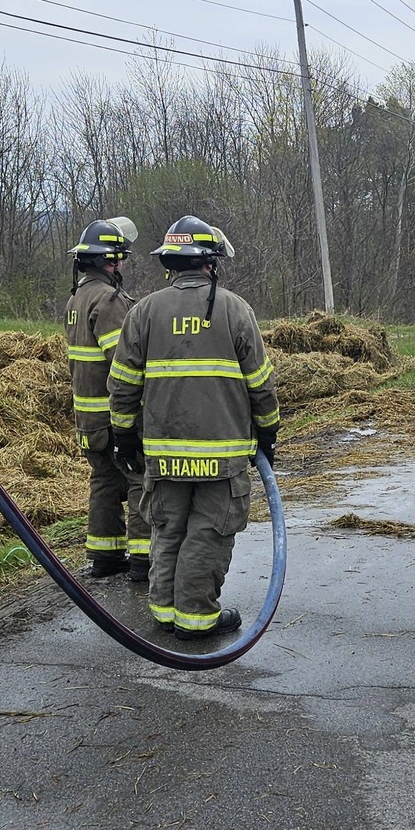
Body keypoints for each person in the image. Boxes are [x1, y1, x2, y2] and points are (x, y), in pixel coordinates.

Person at [108, 216, 279, 640]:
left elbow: (123, 385)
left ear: (171, 263)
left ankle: (165, 611)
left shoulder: (143, 311)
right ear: (211, 263)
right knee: (210, 530)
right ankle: (197, 617)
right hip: (221, 457)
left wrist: (125, 437)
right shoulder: (235, 309)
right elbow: (261, 383)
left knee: (169, 528)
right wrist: (268, 433)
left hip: (164, 454)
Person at [65, 217, 149, 581]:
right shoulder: (109, 301)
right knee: (138, 479)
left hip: (87, 416)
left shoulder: (77, 298)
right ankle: (145, 560)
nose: (122, 267)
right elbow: (124, 363)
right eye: (120, 260)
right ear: (110, 261)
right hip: (114, 414)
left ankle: (105, 556)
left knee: (103, 481)